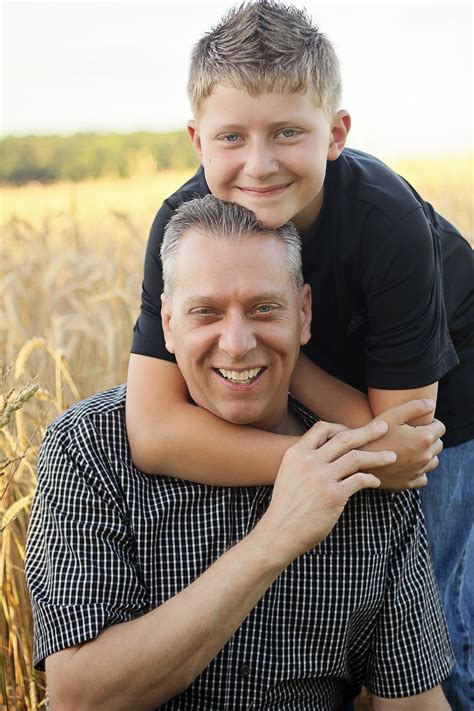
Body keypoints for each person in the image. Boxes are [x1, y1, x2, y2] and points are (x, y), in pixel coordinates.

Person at [126, 3, 474, 707]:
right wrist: (311, 467)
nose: (258, 164)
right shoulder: (183, 227)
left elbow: (405, 450)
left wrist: (281, 350)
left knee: (443, 635)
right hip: (332, 406)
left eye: (288, 132)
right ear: (198, 141)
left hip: (447, 405)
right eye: (232, 137)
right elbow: (155, 431)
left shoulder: (389, 224)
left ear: (336, 133)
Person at [26, 196, 454, 710]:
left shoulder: (366, 471)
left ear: (304, 314)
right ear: (166, 324)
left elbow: (411, 701)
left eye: (263, 309)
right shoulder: (89, 448)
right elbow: (79, 698)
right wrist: (275, 539)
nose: (236, 342)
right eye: (205, 312)